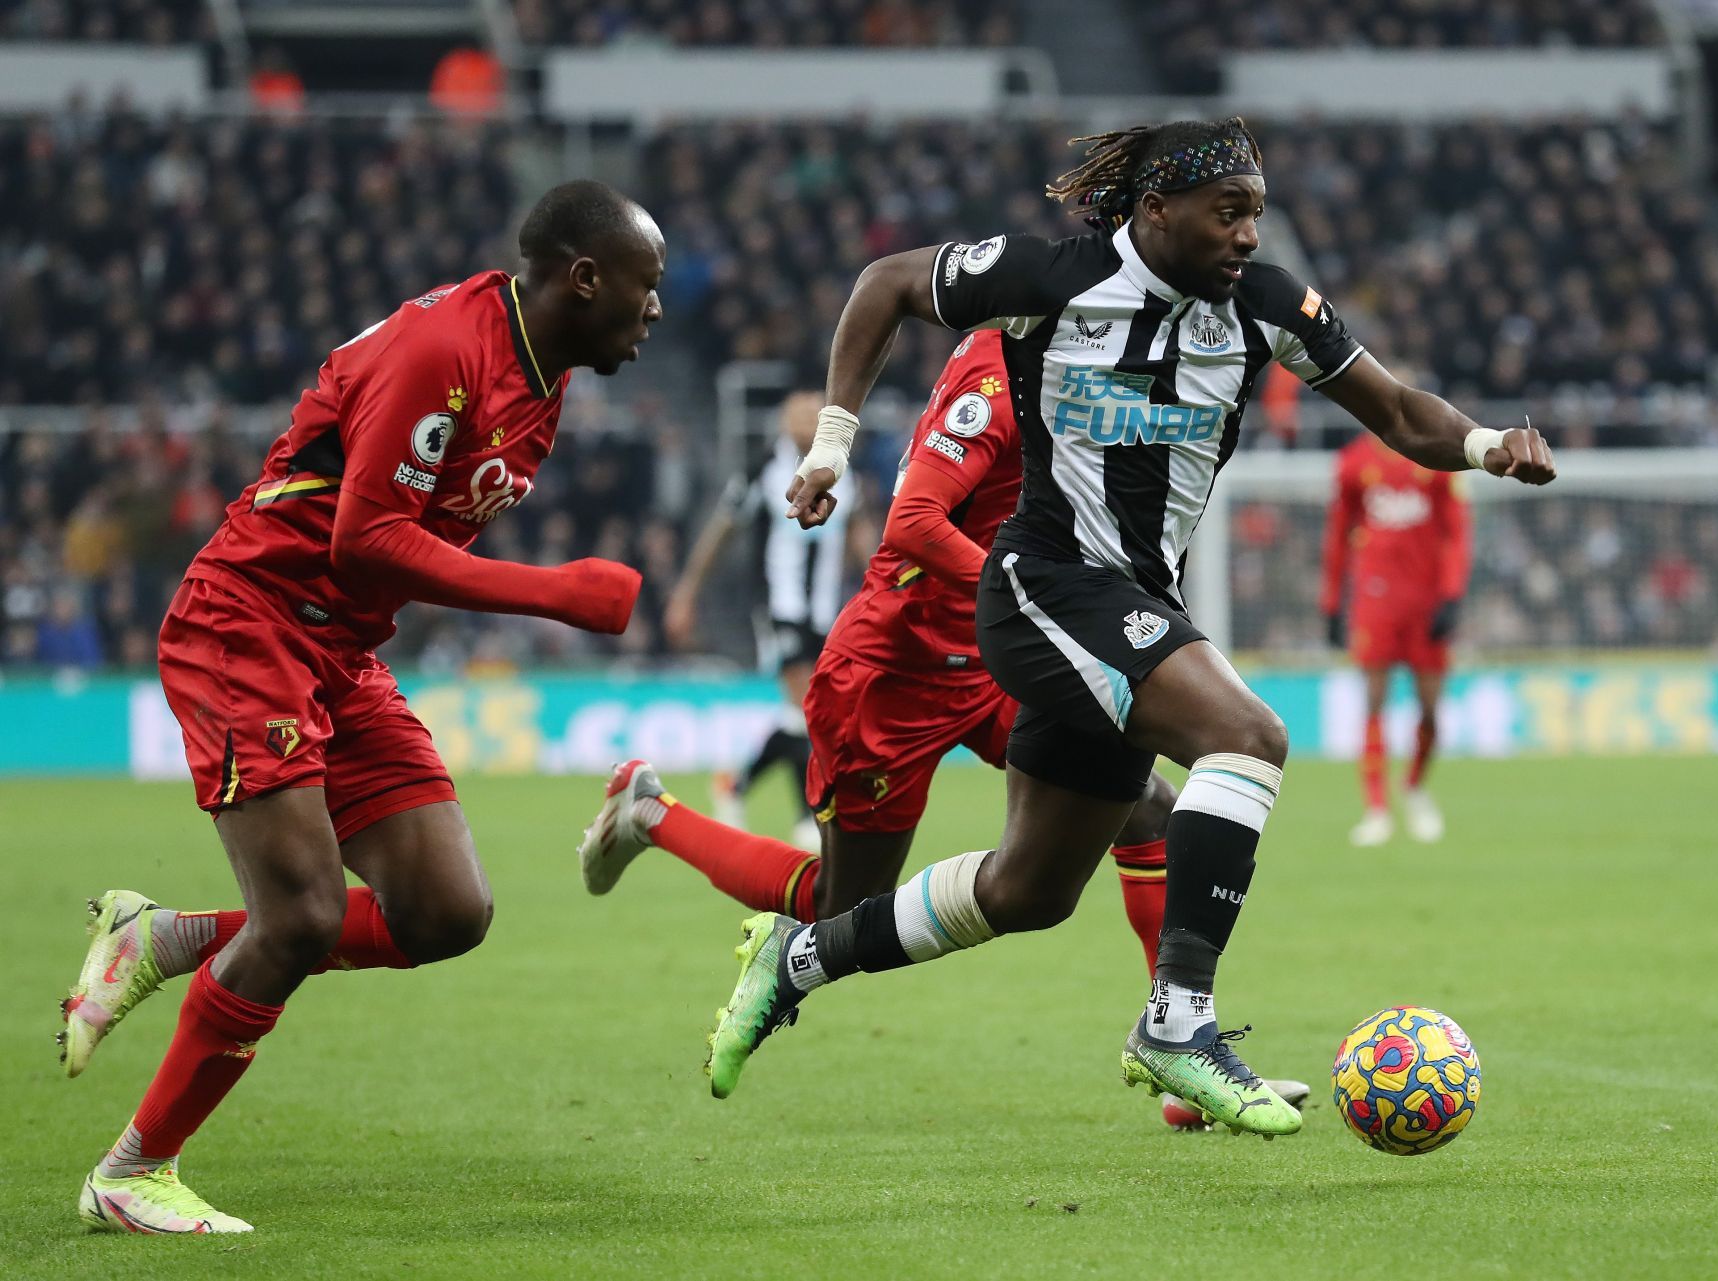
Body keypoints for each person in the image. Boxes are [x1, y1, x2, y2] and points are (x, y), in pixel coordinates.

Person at [704, 117, 1556, 1133]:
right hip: (1043, 587)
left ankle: (798, 957)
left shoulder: (1269, 306)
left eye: (1257, 214)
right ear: (1156, 210)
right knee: (1249, 736)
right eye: (1226, 213)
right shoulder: (1053, 283)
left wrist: (1490, 443)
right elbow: (887, 281)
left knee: (1029, 891)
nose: (1247, 235)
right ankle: (1177, 1020)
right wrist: (833, 446)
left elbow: (1400, 411)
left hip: (1135, 605)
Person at [57, 180, 664, 1234]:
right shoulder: (447, 350)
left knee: (446, 912)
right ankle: (129, 1173)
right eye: (646, 286)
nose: (657, 308)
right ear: (585, 277)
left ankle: (163, 939)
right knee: (298, 919)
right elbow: (365, 538)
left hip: (339, 651)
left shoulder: (542, 376)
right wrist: (553, 593)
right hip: (249, 622)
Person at [579, 329, 1304, 1127]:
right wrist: (1033, 590)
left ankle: (1177, 1046)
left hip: (1010, 658)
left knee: (1147, 809)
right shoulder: (999, 366)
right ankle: (651, 815)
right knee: (841, 905)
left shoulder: (1111, 364)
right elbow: (912, 523)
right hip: (898, 670)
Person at [664, 391, 856, 850]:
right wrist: (687, 592)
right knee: (806, 703)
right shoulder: (764, 468)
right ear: (783, 422)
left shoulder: (847, 472)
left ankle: (736, 784)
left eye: (813, 413)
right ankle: (807, 817)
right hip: (779, 607)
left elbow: (860, 535)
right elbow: (721, 529)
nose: (805, 422)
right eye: (796, 414)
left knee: (806, 711)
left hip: (826, 611)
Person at [1320, 430, 1471, 846]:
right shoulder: (1353, 462)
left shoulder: (1437, 457)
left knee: (1430, 709)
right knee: (1373, 701)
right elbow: (1337, 535)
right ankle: (1376, 809)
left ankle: (1415, 788)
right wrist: (1332, 603)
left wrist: (1452, 595)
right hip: (1375, 599)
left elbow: (1457, 531)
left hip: (1426, 602)